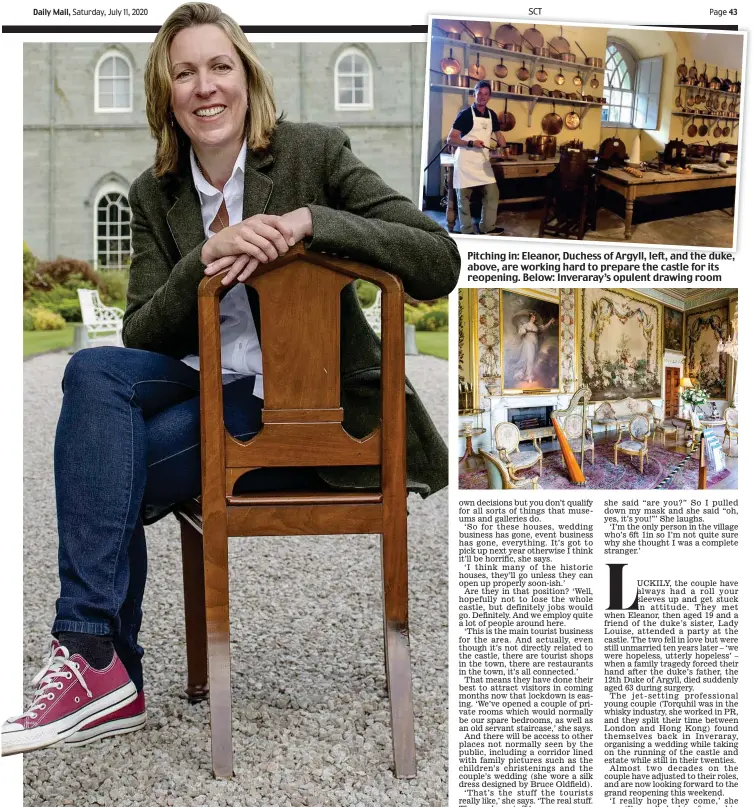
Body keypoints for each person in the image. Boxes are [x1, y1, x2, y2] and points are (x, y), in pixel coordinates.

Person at [3, 2, 460, 756]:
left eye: (219, 66)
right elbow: (146, 328)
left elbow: (436, 258)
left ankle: (100, 667)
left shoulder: (314, 153)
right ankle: (96, 660)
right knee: (93, 372)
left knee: (108, 465)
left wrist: (314, 220)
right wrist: (208, 259)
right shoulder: (156, 193)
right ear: (167, 94)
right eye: (184, 72)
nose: (204, 86)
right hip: (199, 384)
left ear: (246, 80)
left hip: (306, 403)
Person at [446, 80, 506, 236]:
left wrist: (504, 147)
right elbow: (451, 139)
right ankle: (467, 231)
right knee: (463, 199)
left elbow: (499, 135)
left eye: (486, 94)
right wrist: (471, 143)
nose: (482, 97)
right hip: (466, 161)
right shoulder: (465, 114)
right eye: (479, 93)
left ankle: (487, 227)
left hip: (482, 162)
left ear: (490, 97)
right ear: (474, 95)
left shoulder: (492, 115)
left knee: (493, 193)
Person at [513, 312, 556, 384]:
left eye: (534, 317)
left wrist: (550, 321)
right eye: (533, 317)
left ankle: (527, 374)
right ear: (530, 317)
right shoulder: (525, 325)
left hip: (535, 343)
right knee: (530, 358)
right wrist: (523, 331)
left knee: (532, 359)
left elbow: (544, 327)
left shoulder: (536, 326)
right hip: (528, 341)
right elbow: (520, 332)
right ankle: (529, 376)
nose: (534, 318)